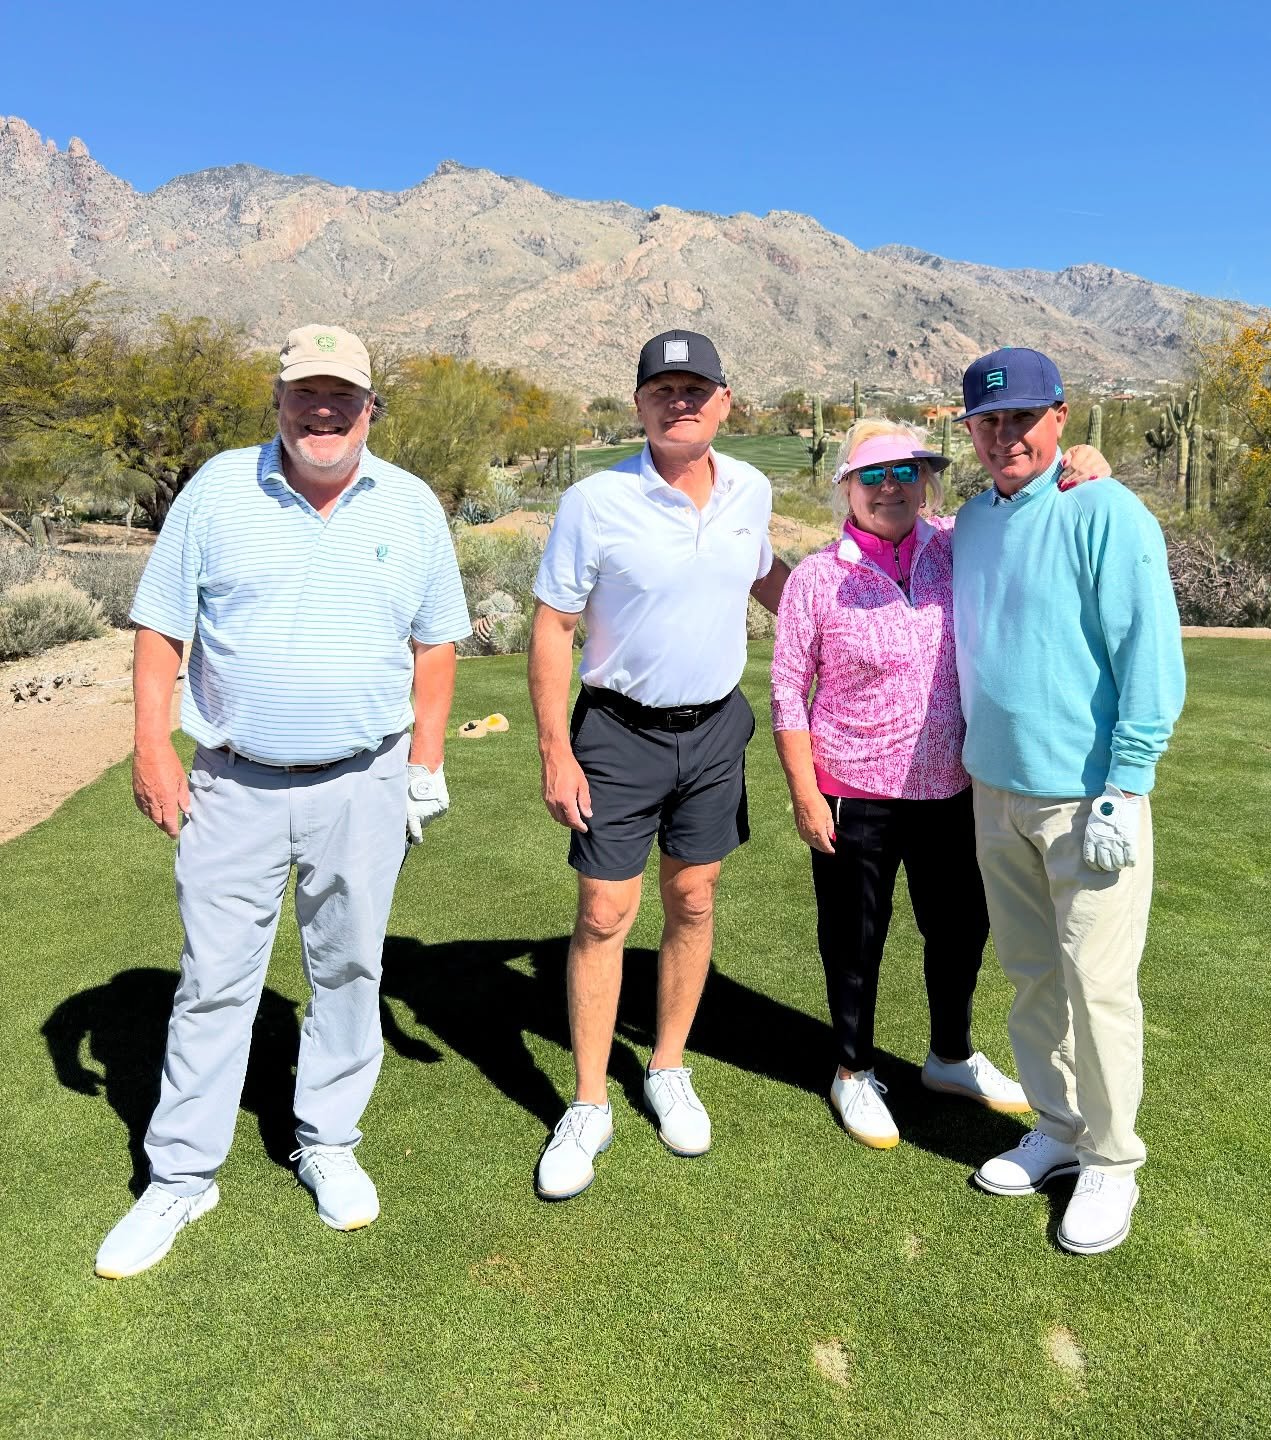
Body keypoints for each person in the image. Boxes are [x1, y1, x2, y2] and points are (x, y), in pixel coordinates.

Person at [95, 324, 472, 1278]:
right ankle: (182, 1177)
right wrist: (151, 747)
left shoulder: (412, 505)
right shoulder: (219, 490)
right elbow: (159, 629)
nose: (323, 410)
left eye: (342, 395)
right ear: (279, 400)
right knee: (216, 978)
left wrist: (425, 763)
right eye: (306, 392)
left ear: (369, 409)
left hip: (365, 778)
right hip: (233, 779)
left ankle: (327, 1140)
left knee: (348, 968)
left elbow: (436, 644)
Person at [770, 419, 1107, 1147]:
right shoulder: (816, 579)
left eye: (905, 473)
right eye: (872, 476)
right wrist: (803, 792)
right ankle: (852, 1072)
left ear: (925, 481)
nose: (890, 487)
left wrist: (1083, 463)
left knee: (960, 930)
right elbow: (787, 691)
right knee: (855, 939)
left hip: (953, 787)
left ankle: (949, 1055)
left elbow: (1025, 502)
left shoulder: (958, 544)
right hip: (850, 790)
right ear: (846, 488)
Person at [528, 329, 788, 1200]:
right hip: (617, 732)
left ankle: (668, 1066)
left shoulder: (750, 488)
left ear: (725, 402)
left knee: (694, 896)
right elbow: (553, 627)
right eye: (663, 390)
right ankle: (591, 1101)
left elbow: (768, 579)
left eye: (697, 389)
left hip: (716, 729)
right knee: (605, 913)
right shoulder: (594, 501)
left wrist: (852, 607)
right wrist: (556, 750)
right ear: (638, 404)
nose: (681, 402)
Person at [950, 346, 1185, 1255]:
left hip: (1087, 799)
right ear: (970, 430)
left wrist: (1128, 786)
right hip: (994, 790)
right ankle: (1055, 1126)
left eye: (1022, 419)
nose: (1005, 436)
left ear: (1060, 420)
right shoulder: (970, 522)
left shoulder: (1105, 511)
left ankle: (1112, 1159)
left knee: (1097, 984)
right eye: (989, 421)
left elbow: (1149, 662)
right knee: (1033, 974)